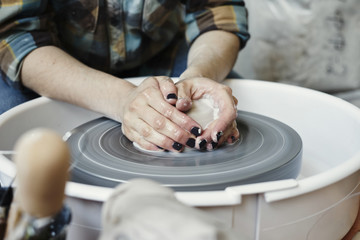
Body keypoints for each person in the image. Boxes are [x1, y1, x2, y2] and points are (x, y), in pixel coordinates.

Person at [0, 0, 250, 152]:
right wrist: (123, 100)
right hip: (56, 61)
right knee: (14, 130)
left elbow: (217, 11)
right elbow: (14, 35)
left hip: (160, 52)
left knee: (230, 100)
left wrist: (198, 74)